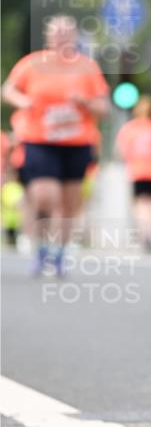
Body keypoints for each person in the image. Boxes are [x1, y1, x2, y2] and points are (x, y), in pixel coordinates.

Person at [1, 15, 109, 275]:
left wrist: (84, 102)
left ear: (74, 36)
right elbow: (8, 90)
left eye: (66, 32)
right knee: (44, 196)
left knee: (70, 203)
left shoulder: (87, 67)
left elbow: (104, 107)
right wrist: (24, 101)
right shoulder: (32, 64)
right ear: (48, 36)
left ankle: (59, 254)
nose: (61, 37)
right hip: (40, 139)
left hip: (76, 142)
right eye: (56, 32)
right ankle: (40, 248)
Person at [114, 95, 151, 253]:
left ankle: (144, 234)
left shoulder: (130, 128)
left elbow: (120, 150)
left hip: (137, 170)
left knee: (140, 203)